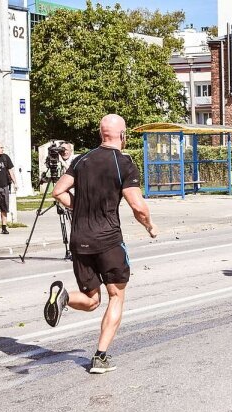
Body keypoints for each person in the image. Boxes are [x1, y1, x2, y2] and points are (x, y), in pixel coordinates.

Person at [50, 114, 158, 374]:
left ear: (101, 134)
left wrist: (80, 207)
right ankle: (100, 357)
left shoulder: (81, 160)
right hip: (108, 239)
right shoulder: (123, 163)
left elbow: (58, 191)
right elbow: (137, 205)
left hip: (79, 240)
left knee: (91, 300)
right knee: (116, 296)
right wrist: (150, 226)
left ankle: (63, 298)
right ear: (122, 135)